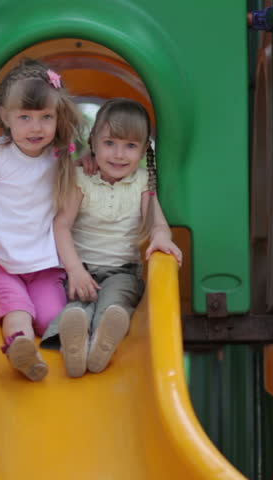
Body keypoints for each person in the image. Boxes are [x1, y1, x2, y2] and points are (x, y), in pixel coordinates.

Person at [0, 59, 84, 381]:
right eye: (25, 117)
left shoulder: (61, 157)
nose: (35, 128)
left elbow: (71, 200)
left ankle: (68, 344)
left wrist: (88, 165)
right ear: (6, 117)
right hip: (1, 260)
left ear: (58, 117)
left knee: (51, 316)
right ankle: (21, 348)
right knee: (17, 309)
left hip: (44, 264)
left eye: (45, 118)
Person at [42, 98, 183, 377]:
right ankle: (75, 342)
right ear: (93, 143)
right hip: (80, 270)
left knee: (115, 302)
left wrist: (162, 238)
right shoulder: (81, 178)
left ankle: (100, 343)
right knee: (76, 307)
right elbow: (61, 225)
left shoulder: (143, 181)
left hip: (122, 272)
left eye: (130, 146)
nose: (119, 154)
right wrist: (75, 271)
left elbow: (157, 224)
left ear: (144, 149)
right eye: (110, 143)